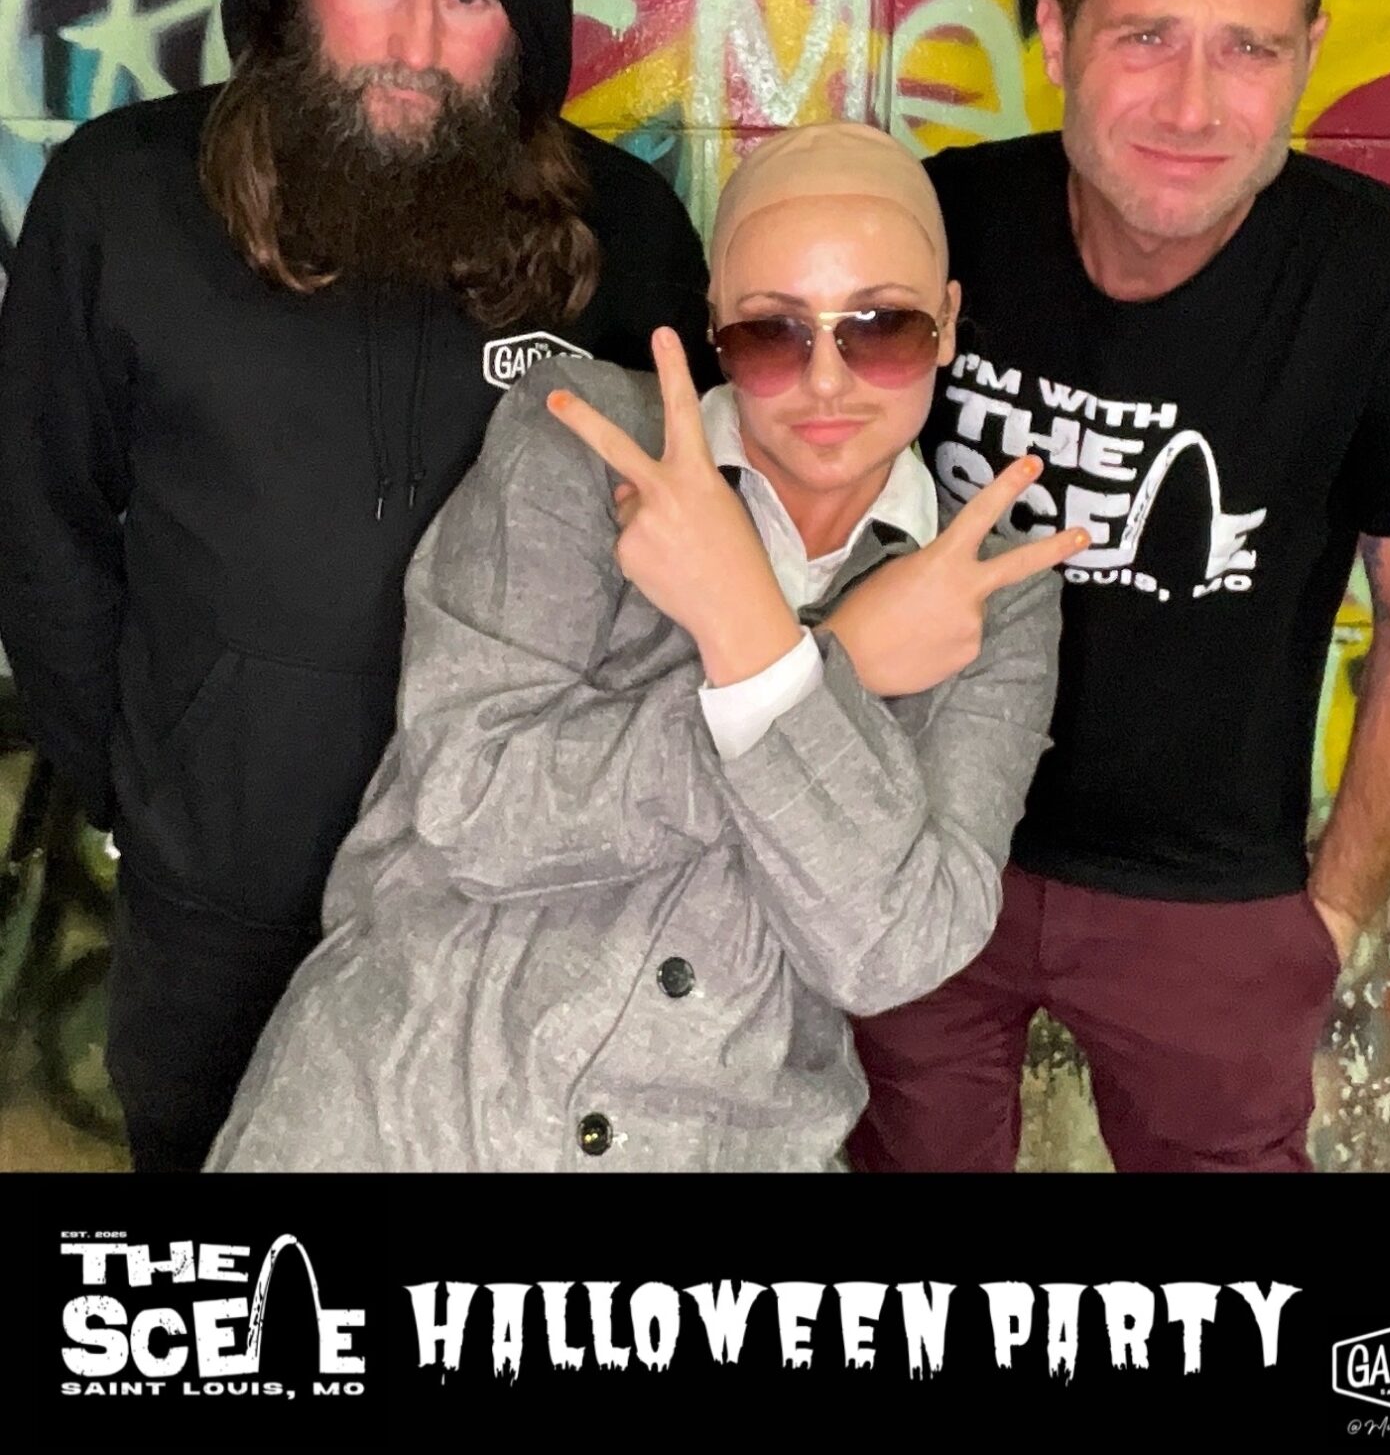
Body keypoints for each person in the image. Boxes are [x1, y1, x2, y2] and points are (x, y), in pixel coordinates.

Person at [0, 0, 712, 1173]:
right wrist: (149, 786)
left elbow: (687, 570)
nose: (414, 44)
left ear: (525, 21)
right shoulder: (122, 199)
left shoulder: (624, 237)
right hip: (218, 904)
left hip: (503, 919)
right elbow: (40, 527)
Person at [206, 124, 1083, 1172]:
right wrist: (830, 660)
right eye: (773, 333)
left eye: (881, 326)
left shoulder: (996, 595)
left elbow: (893, 949)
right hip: (403, 1111)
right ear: (715, 324)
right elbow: (475, 802)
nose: (827, 381)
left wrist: (751, 637)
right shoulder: (584, 439)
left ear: (944, 322)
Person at [848, 0, 1390, 1174]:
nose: (1194, 107)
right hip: (922, 854)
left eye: (1248, 47)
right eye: (1146, 36)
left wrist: (1336, 911)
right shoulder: (933, 226)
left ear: (1309, 53)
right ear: (1056, 36)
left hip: (1215, 900)